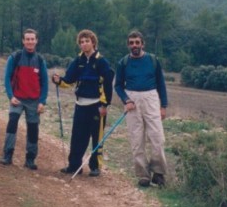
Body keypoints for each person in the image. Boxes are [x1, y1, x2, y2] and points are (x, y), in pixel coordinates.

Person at [51, 29, 115, 177]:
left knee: (96, 137)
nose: (84, 44)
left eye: (87, 41)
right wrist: (59, 81)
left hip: (97, 106)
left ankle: (95, 166)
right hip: (80, 105)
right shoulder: (77, 61)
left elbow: (107, 84)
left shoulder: (101, 62)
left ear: (93, 42)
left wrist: (105, 105)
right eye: (81, 42)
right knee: (77, 136)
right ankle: (74, 165)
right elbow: (69, 80)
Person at [114, 30, 168, 187]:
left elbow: (161, 84)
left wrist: (163, 106)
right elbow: (118, 86)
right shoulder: (123, 63)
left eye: (137, 42)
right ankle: (143, 174)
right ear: (128, 45)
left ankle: (159, 173)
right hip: (132, 100)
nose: (134, 45)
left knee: (157, 138)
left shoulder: (152, 60)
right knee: (137, 139)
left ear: (143, 44)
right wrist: (126, 100)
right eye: (131, 43)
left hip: (151, 97)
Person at [0, 28, 49, 170]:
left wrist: (42, 101)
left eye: (32, 39)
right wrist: (11, 96)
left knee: (33, 129)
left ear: (36, 41)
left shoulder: (40, 60)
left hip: (34, 101)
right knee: (12, 123)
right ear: (23, 41)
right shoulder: (14, 57)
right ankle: (7, 155)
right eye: (27, 39)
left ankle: (30, 159)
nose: (30, 41)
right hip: (17, 99)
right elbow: (7, 78)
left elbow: (45, 83)